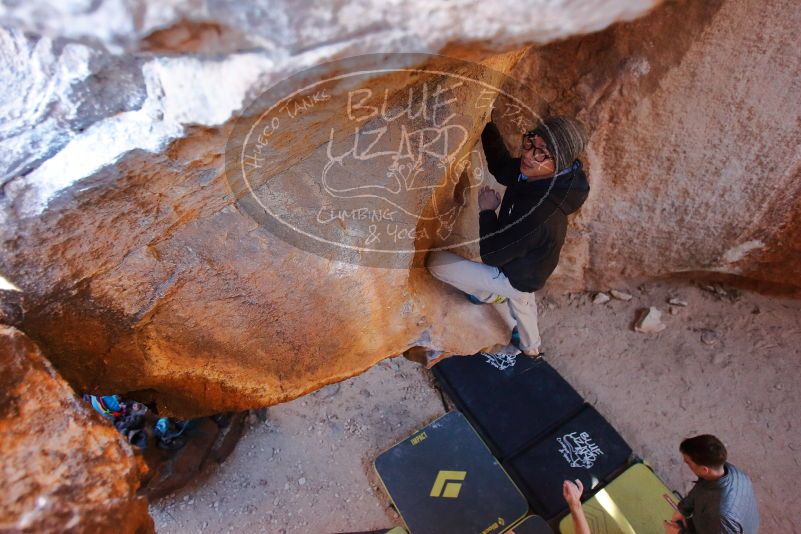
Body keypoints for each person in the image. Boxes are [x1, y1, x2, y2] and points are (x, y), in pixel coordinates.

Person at [427, 115, 589, 356]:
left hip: (513, 276)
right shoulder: (545, 178)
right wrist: (486, 124)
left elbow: (492, 254)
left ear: (561, 161)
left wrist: (488, 211)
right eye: (530, 143)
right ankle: (532, 351)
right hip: (530, 270)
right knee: (524, 305)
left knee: (436, 264)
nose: (528, 155)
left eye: (542, 152)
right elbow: (503, 169)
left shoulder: (540, 213)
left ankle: (492, 294)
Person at [665, 435, 759, 534]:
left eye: (688, 462)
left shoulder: (720, 515)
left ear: (704, 469)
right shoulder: (728, 470)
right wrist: (683, 509)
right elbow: (702, 486)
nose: (684, 462)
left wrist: (678, 533)